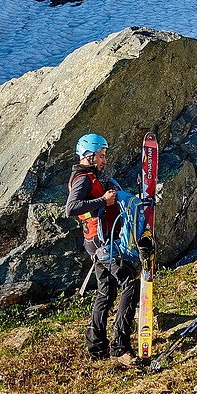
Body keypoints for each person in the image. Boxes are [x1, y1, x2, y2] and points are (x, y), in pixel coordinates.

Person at [65, 132, 140, 365]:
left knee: (106, 293)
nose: (104, 160)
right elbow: (72, 207)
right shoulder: (83, 179)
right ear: (89, 155)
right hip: (103, 243)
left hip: (96, 242)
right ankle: (120, 348)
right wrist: (103, 202)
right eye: (101, 155)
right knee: (130, 284)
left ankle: (97, 348)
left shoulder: (88, 177)